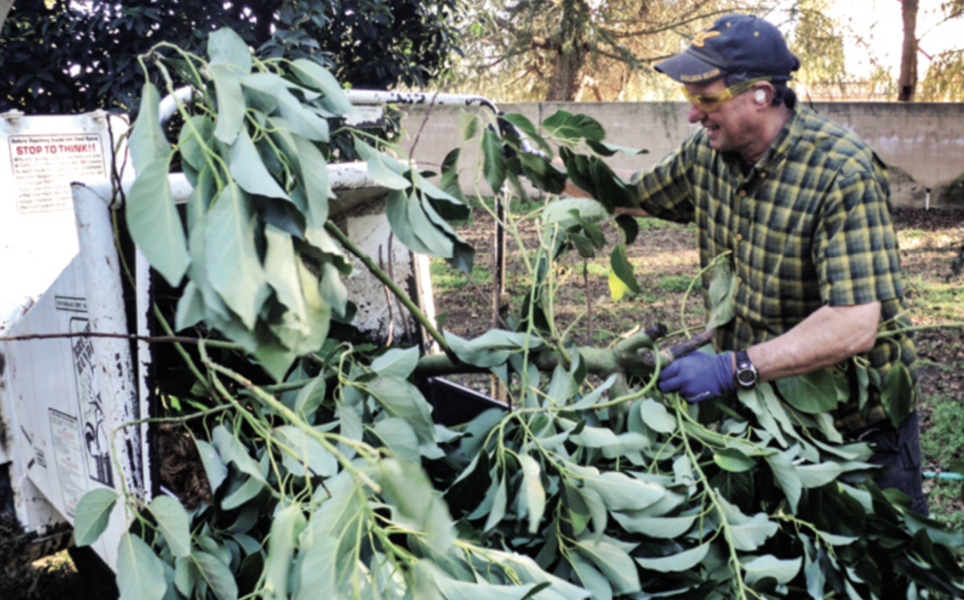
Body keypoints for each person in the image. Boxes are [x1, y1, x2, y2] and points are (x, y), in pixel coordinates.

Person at [565, 14, 927, 514]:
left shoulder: (841, 173)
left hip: (858, 431)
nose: (693, 115)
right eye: (690, 98)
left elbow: (853, 322)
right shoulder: (707, 157)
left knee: (882, 573)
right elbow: (629, 192)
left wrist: (731, 369)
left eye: (707, 99)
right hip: (767, 419)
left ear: (761, 94)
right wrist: (542, 167)